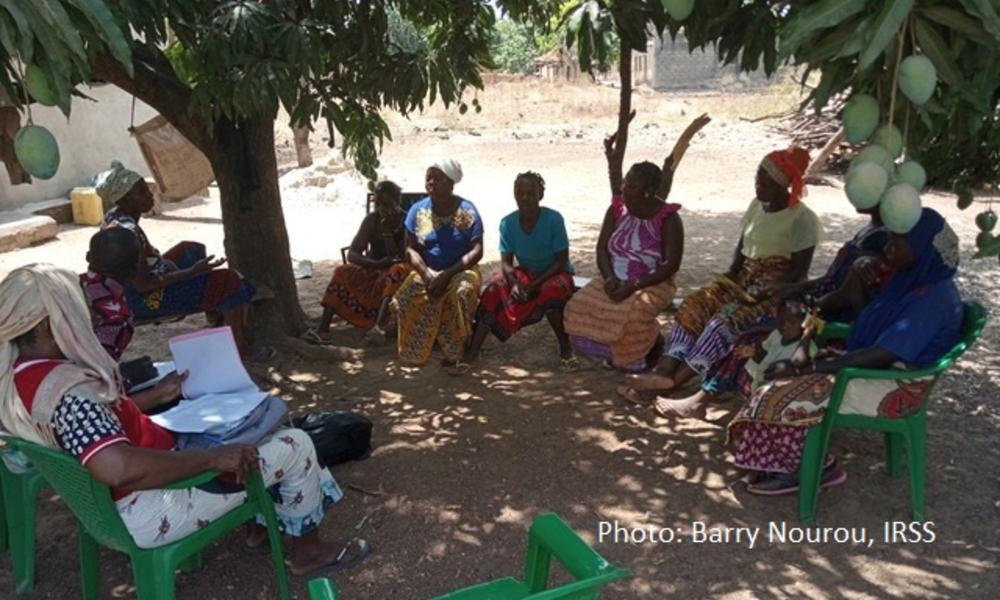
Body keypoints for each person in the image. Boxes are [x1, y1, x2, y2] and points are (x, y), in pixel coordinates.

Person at [0, 264, 356, 575]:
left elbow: (95, 427)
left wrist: (155, 396)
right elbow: (117, 468)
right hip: (150, 506)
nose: (89, 319)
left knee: (250, 431)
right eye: (78, 310)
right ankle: (308, 550)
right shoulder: (70, 393)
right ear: (45, 324)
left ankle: (260, 526)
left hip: (110, 504)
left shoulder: (20, 379)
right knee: (296, 443)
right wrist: (212, 459)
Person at [729, 208, 961, 495]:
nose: (887, 249)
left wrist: (810, 367)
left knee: (776, 391)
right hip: (882, 371)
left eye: (896, 243)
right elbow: (875, 330)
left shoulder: (930, 301)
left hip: (890, 386)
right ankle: (779, 460)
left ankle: (806, 468)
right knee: (773, 376)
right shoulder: (916, 281)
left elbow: (883, 353)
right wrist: (834, 358)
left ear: (921, 247)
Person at [624, 147, 823, 400]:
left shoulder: (802, 219)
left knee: (723, 322)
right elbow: (743, 245)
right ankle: (663, 371)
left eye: (765, 184)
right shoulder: (758, 205)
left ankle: (673, 382)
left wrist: (768, 291)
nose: (758, 186)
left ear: (782, 186)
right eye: (757, 179)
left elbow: (797, 273)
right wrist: (731, 275)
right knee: (695, 305)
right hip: (743, 281)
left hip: (774, 291)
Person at [655, 203, 890, 416]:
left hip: (827, 313)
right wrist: (789, 290)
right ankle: (686, 382)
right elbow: (829, 280)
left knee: (745, 328)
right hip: (814, 299)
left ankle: (699, 396)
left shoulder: (874, 245)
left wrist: (808, 302)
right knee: (721, 314)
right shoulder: (869, 231)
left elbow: (842, 295)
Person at [561, 114, 709, 371]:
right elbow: (602, 249)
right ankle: (619, 354)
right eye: (625, 183)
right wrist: (609, 278)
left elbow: (671, 265)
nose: (624, 189)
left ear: (648, 192)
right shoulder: (617, 210)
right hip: (614, 278)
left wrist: (635, 285)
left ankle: (646, 352)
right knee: (579, 307)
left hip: (653, 282)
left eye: (631, 186)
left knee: (631, 315)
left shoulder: (668, 218)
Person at [95, 162, 263, 359]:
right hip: (142, 301)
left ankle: (215, 315)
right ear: (123, 200)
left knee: (190, 249)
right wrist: (191, 271)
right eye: (141, 192)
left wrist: (170, 267)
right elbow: (144, 285)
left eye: (146, 189)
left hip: (130, 289)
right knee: (229, 280)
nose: (150, 195)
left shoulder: (114, 217)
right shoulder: (128, 233)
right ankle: (241, 349)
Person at [458, 171, 576, 370]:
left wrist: (534, 285)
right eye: (520, 193)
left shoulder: (553, 219)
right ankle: (473, 351)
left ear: (540, 195)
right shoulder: (508, 223)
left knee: (551, 292)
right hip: (527, 272)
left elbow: (561, 261)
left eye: (530, 193)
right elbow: (506, 263)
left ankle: (566, 348)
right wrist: (514, 284)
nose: (525, 198)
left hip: (556, 272)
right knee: (494, 289)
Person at [392, 159, 484, 366]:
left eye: (437, 178)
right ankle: (417, 347)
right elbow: (409, 249)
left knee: (461, 292)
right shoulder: (417, 210)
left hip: (461, 270)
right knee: (406, 295)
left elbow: (477, 250)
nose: (431, 182)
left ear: (451, 182)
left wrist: (447, 274)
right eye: (428, 178)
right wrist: (426, 275)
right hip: (427, 270)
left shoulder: (467, 211)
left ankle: (458, 348)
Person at [306, 180, 411, 345]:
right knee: (342, 271)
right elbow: (353, 254)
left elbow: (398, 256)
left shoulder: (406, 221)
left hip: (396, 273)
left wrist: (386, 232)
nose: (381, 208)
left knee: (396, 271)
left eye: (386, 204)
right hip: (374, 268)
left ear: (397, 203)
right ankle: (323, 329)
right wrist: (374, 264)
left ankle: (378, 328)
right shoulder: (371, 220)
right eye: (378, 204)